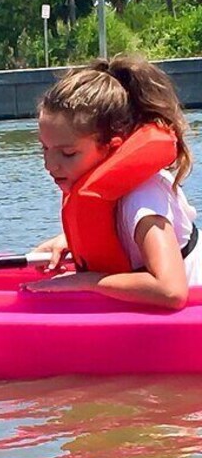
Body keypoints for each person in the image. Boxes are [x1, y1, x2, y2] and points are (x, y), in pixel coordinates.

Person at [24, 55, 200, 309]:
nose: (50, 165)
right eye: (45, 149)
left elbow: (170, 291)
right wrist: (69, 241)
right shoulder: (109, 192)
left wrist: (86, 281)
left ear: (111, 147)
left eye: (68, 153)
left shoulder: (144, 199)